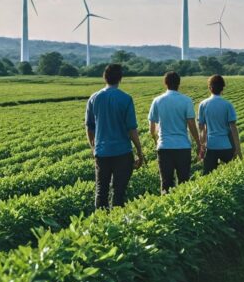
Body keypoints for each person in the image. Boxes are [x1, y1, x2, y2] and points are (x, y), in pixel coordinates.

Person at [85, 63, 145, 210]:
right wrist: (139, 151)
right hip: (122, 152)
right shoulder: (126, 99)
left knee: (101, 191)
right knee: (119, 192)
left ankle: (100, 224)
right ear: (120, 79)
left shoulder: (94, 98)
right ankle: (115, 226)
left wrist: (93, 148)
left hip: (102, 152)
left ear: (104, 78)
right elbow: (131, 129)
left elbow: (89, 127)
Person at [148, 71, 202, 193]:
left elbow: (152, 128)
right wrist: (199, 143)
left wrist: (156, 140)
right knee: (184, 182)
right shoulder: (186, 100)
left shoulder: (157, 100)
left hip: (164, 146)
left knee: (166, 183)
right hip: (182, 146)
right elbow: (192, 124)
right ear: (179, 83)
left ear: (165, 83)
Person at [198, 74, 242, 174]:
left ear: (209, 88)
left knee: (208, 176)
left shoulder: (203, 104)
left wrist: (202, 147)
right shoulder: (227, 105)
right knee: (231, 174)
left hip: (211, 146)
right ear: (223, 88)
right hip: (226, 146)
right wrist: (238, 149)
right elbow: (233, 128)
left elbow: (202, 128)